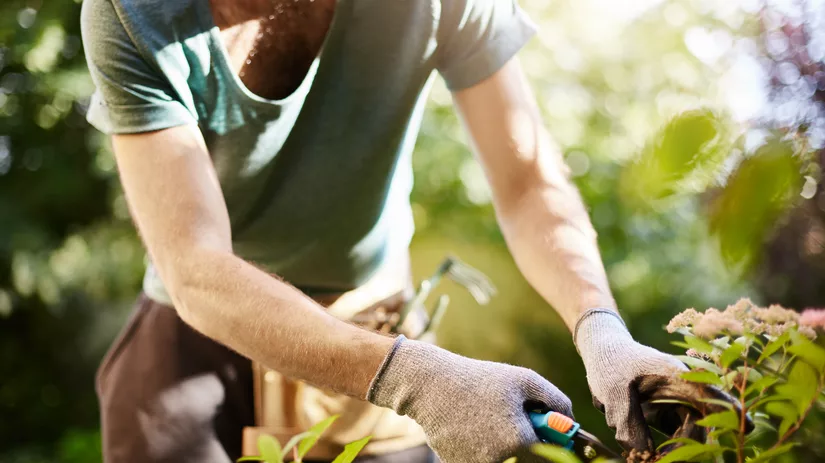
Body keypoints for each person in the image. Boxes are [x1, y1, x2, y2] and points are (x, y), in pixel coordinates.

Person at [80, 0, 740, 461]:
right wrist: (417, 379)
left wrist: (598, 327)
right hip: (191, 345)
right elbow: (195, 266)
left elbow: (526, 179)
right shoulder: (131, 13)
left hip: (372, 317)